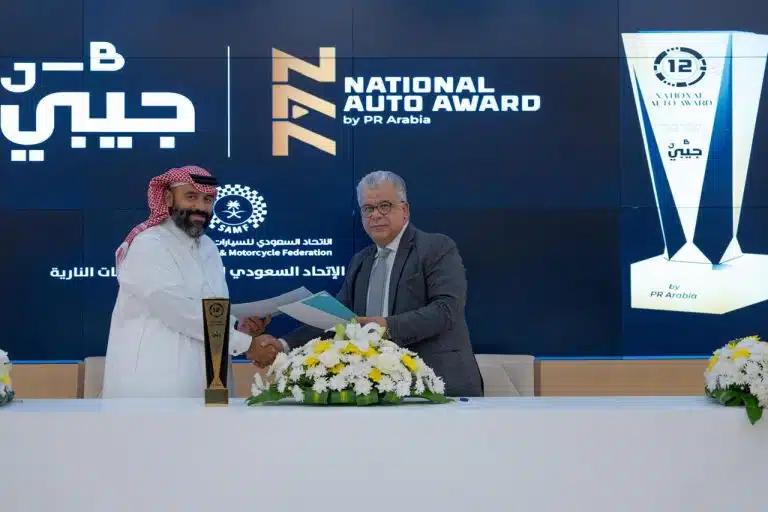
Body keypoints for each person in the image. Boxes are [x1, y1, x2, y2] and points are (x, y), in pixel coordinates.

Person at [262, 170, 484, 397]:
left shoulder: (436, 248)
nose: (375, 215)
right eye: (368, 209)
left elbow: (446, 310)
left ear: (405, 209)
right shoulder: (361, 261)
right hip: (377, 388)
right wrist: (283, 344)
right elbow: (336, 319)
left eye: (384, 206)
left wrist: (386, 327)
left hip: (437, 385)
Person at [101, 165, 278, 398]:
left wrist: (238, 326)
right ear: (168, 198)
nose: (200, 207)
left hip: (210, 384)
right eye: (191, 197)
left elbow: (211, 309)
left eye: (207, 199)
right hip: (154, 386)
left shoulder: (208, 247)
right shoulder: (149, 244)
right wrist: (246, 344)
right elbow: (179, 310)